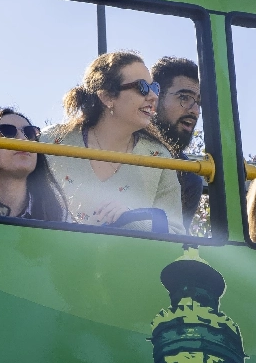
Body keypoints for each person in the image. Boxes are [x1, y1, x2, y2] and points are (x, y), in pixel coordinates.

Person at [40, 51, 184, 234]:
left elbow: (177, 233)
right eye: (142, 87)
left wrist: (133, 219)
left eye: (154, 87)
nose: (153, 96)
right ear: (107, 96)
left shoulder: (159, 158)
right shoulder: (50, 142)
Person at [151, 57, 204, 232]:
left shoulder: (189, 177)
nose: (194, 110)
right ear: (154, 98)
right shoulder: (120, 143)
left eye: (198, 102)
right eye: (184, 97)